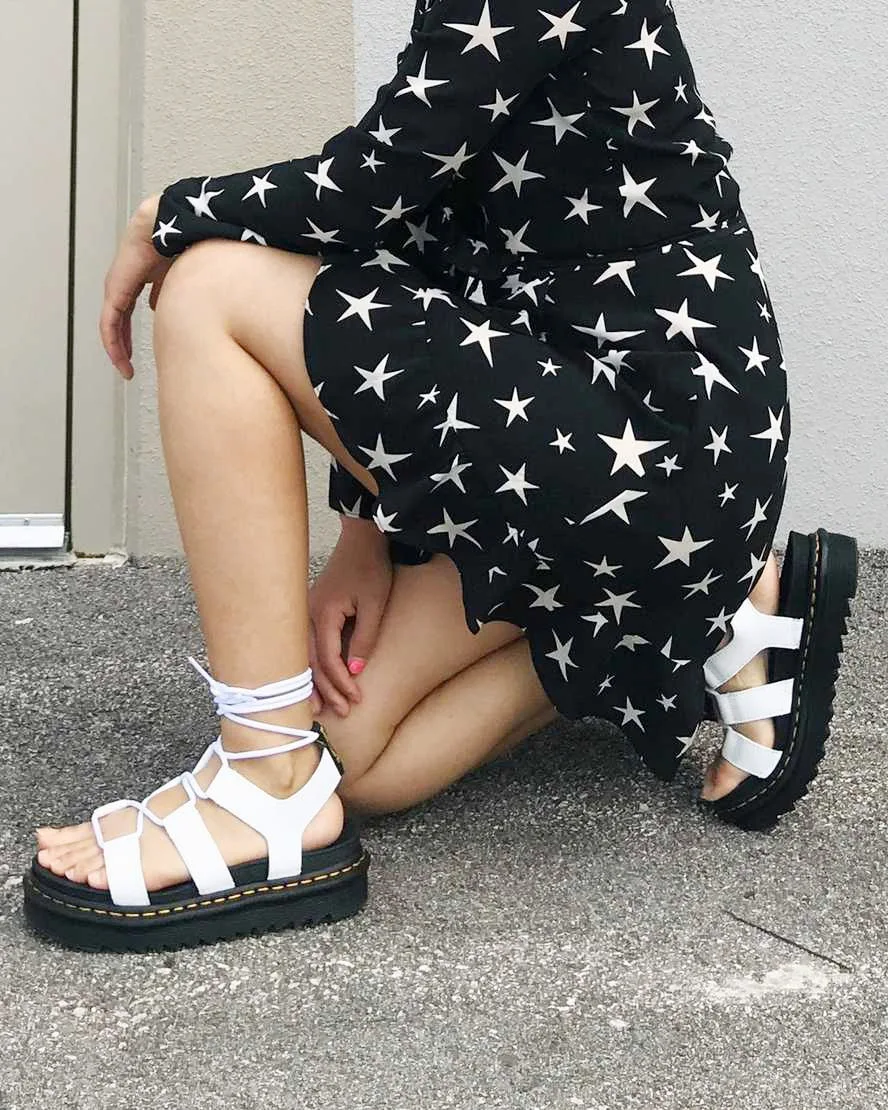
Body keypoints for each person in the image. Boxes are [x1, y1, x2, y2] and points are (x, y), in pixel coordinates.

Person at [24, 0, 857, 952]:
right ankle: (698, 611)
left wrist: (163, 215)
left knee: (209, 281)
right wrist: (363, 541)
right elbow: (426, 232)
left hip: (649, 437)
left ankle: (262, 778)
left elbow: (373, 186)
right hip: (588, 449)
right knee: (356, 760)